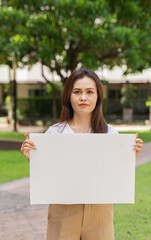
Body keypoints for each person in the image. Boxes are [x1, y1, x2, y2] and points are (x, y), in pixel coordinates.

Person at [21, 67, 143, 240]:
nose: (83, 97)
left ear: (98, 97)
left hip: (100, 211)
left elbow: (115, 176)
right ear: (69, 97)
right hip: (63, 209)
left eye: (90, 92)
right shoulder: (54, 133)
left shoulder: (111, 134)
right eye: (77, 92)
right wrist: (33, 159)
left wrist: (128, 158)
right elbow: (48, 176)